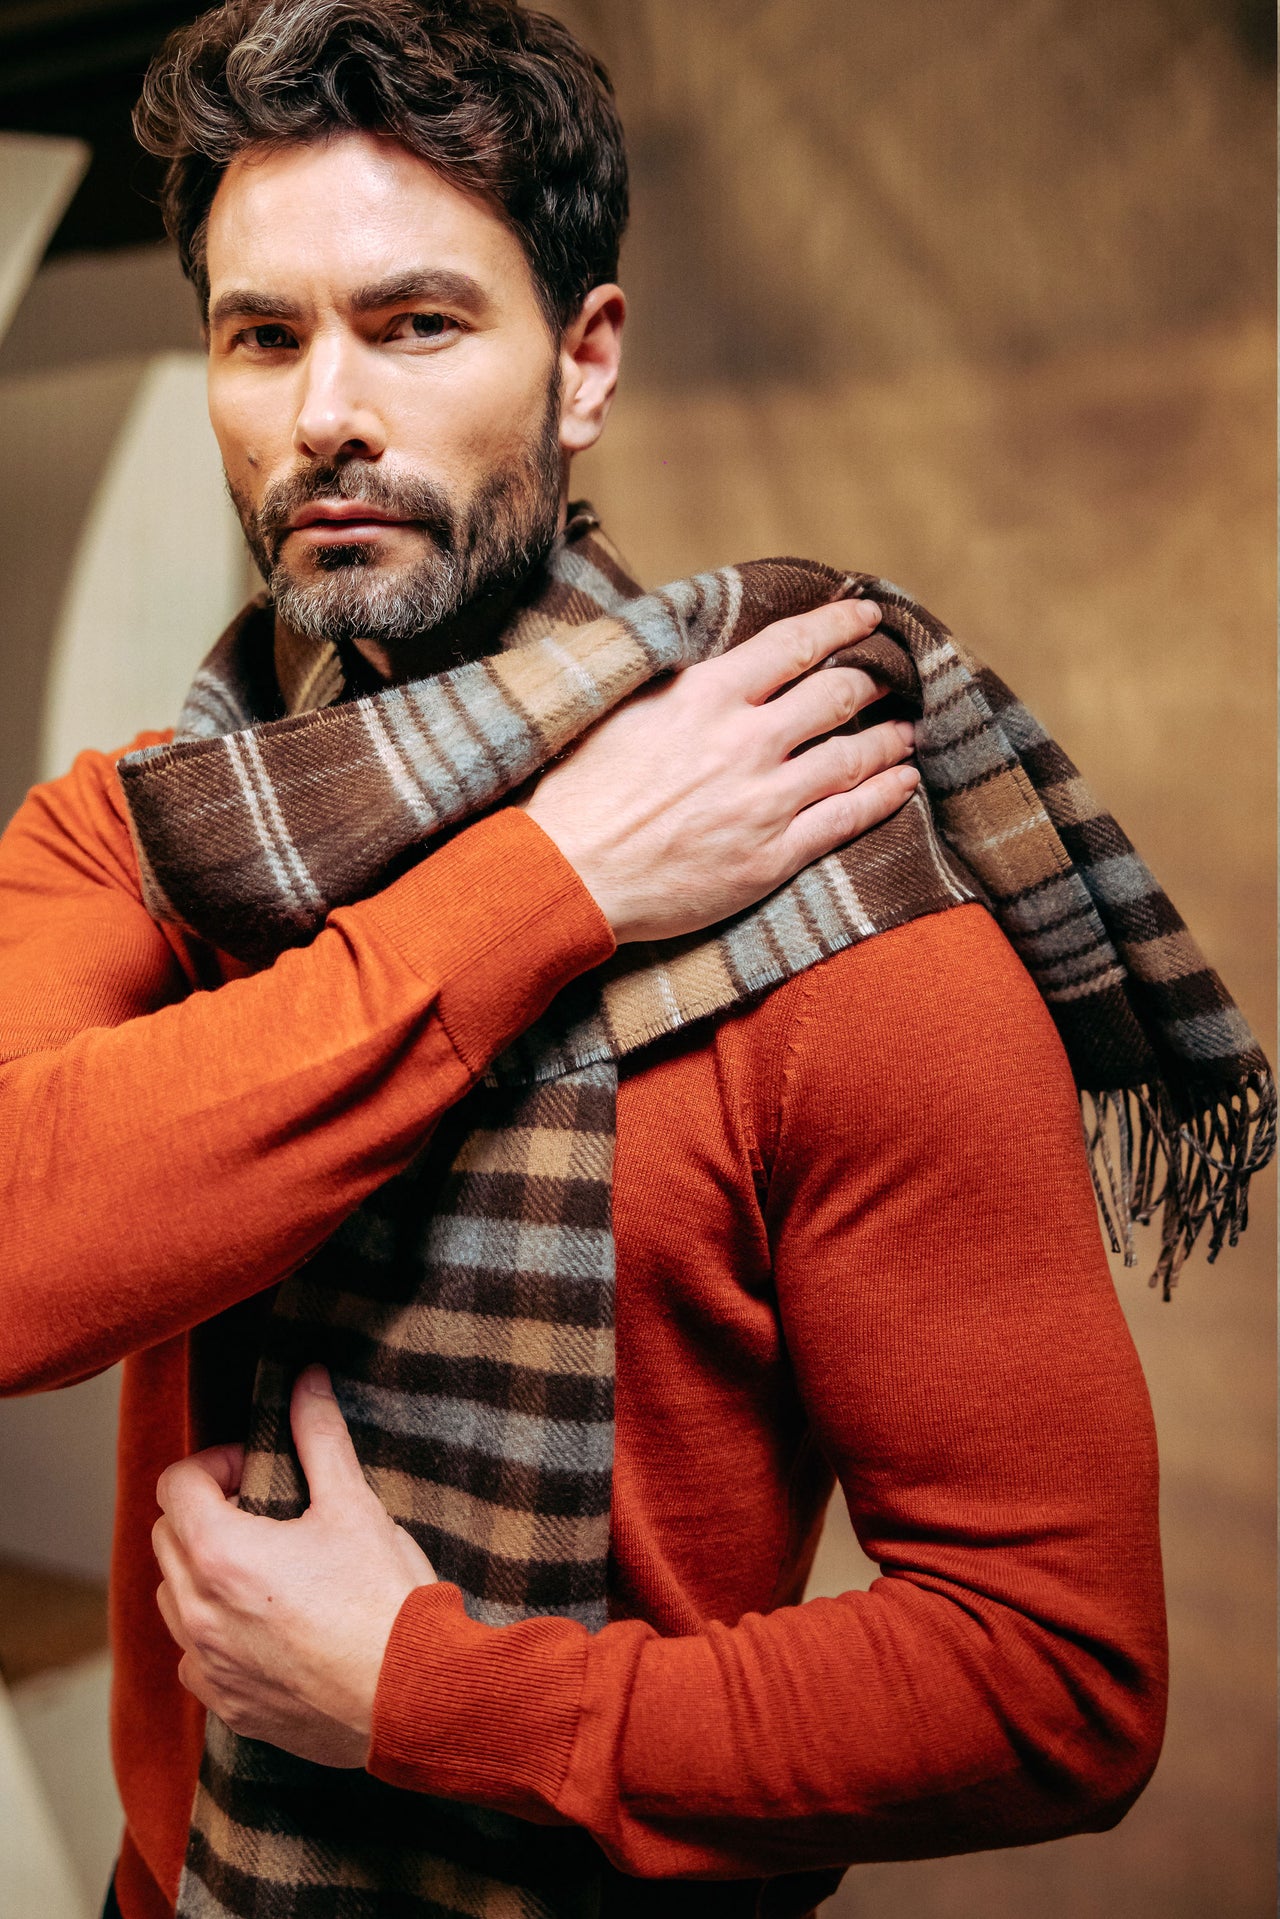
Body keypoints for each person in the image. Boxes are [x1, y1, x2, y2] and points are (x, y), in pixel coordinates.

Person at [0, 4, 1176, 1917]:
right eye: (261, 334)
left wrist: (429, 1697)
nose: (324, 416)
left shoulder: (837, 920)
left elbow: (1060, 1680)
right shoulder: (136, 842)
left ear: (586, 364)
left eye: (418, 323)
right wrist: (553, 876)